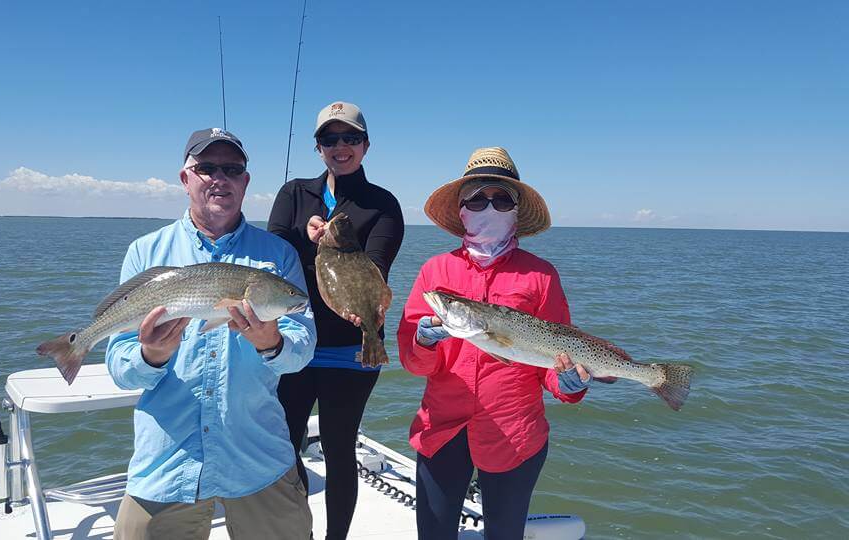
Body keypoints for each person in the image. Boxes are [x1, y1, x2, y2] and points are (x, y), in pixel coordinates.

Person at [106, 128, 317, 540]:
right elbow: (120, 369)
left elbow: (302, 348)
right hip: (166, 462)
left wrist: (272, 344)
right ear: (185, 178)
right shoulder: (145, 253)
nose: (219, 177)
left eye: (232, 169)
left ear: (245, 182)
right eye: (206, 167)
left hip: (258, 456)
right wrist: (150, 355)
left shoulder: (279, 256)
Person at [397, 147, 612, 540]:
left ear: (515, 210)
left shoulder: (541, 276)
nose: (488, 207)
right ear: (462, 209)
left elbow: (552, 357)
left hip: (516, 433)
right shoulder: (435, 271)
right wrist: (424, 341)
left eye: (501, 198)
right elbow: (414, 363)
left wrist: (567, 384)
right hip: (442, 427)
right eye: (477, 198)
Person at [268, 102, 405, 540]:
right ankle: (298, 531)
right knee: (285, 445)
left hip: (354, 346)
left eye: (350, 138)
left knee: (339, 447)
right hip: (293, 342)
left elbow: (376, 265)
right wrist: (305, 240)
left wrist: (330, 242)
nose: (341, 147)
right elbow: (272, 252)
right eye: (330, 139)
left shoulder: (383, 204)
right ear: (318, 147)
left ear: (366, 145)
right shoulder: (293, 193)